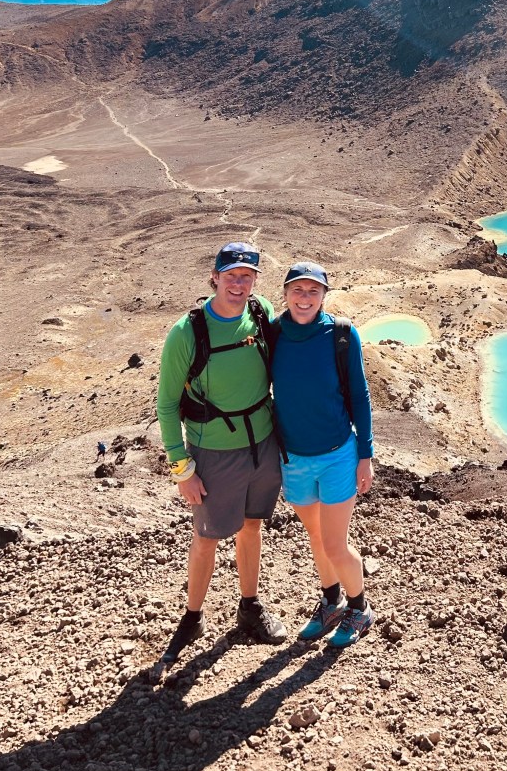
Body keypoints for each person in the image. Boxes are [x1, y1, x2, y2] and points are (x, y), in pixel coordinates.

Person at [155, 242, 287, 669]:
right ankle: (192, 617)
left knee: (251, 526)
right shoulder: (186, 333)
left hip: (261, 443)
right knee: (208, 536)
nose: (238, 283)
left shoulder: (261, 312)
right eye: (231, 275)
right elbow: (167, 404)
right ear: (214, 276)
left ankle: (249, 607)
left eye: (247, 276)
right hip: (213, 450)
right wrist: (182, 467)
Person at [272, 260, 375, 648]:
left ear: (324, 296)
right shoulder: (274, 334)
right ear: (284, 294)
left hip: (337, 456)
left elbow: (361, 397)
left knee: (334, 543)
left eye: (313, 290)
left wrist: (365, 454)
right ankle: (330, 602)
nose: (305, 297)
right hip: (293, 459)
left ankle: (359, 607)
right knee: (317, 538)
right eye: (298, 289)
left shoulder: (341, 335)